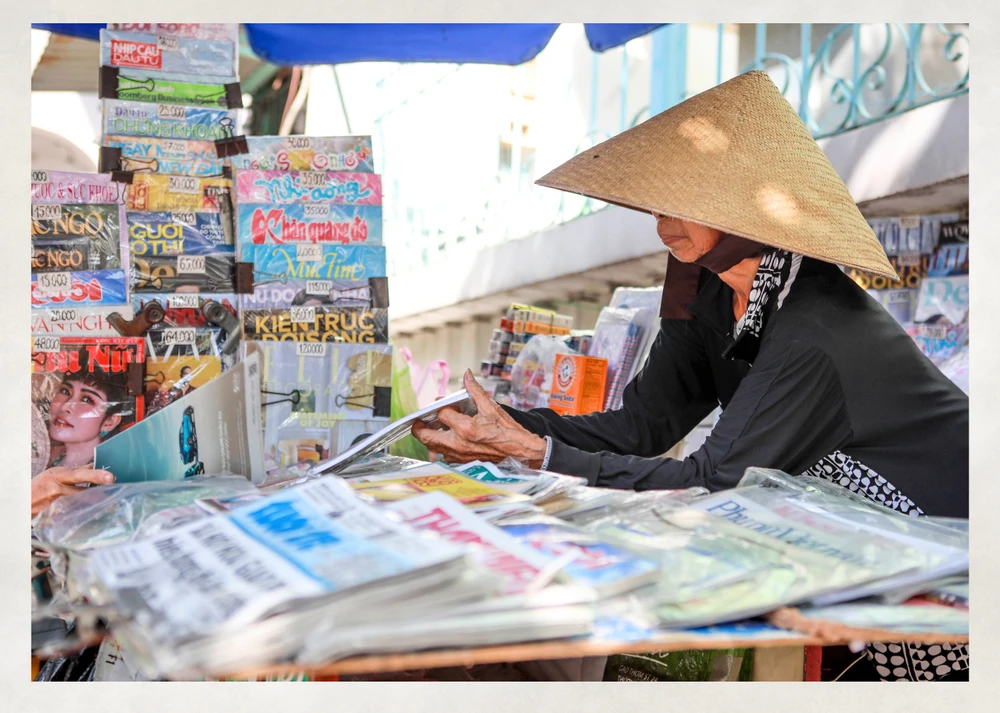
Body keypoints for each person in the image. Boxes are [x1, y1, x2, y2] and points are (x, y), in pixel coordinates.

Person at [411, 70, 968, 681]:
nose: (661, 220)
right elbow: (643, 426)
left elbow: (711, 483)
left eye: (686, 201)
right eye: (658, 200)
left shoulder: (814, 328)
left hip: (934, 542)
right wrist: (505, 427)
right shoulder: (702, 289)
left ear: (746, 214)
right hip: (838, 533)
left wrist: (538, 453)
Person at [46, 370, 130, 470]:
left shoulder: (108, 473)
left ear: (109, 422)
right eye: (65, 391)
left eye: (86, 400)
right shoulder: (47, 458)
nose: (65, 406)